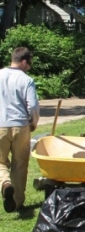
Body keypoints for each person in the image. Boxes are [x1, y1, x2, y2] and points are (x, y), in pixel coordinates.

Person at [0, 47, 40, 213]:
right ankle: (17, 202)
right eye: (29, 63)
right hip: (21, 126)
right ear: (23, 61)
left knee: (0, 162)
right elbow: (33, 106)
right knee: (20, 164)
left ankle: (4, 183)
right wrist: (33, 123)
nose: (29, 67)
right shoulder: (26, 80)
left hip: (0, 125)